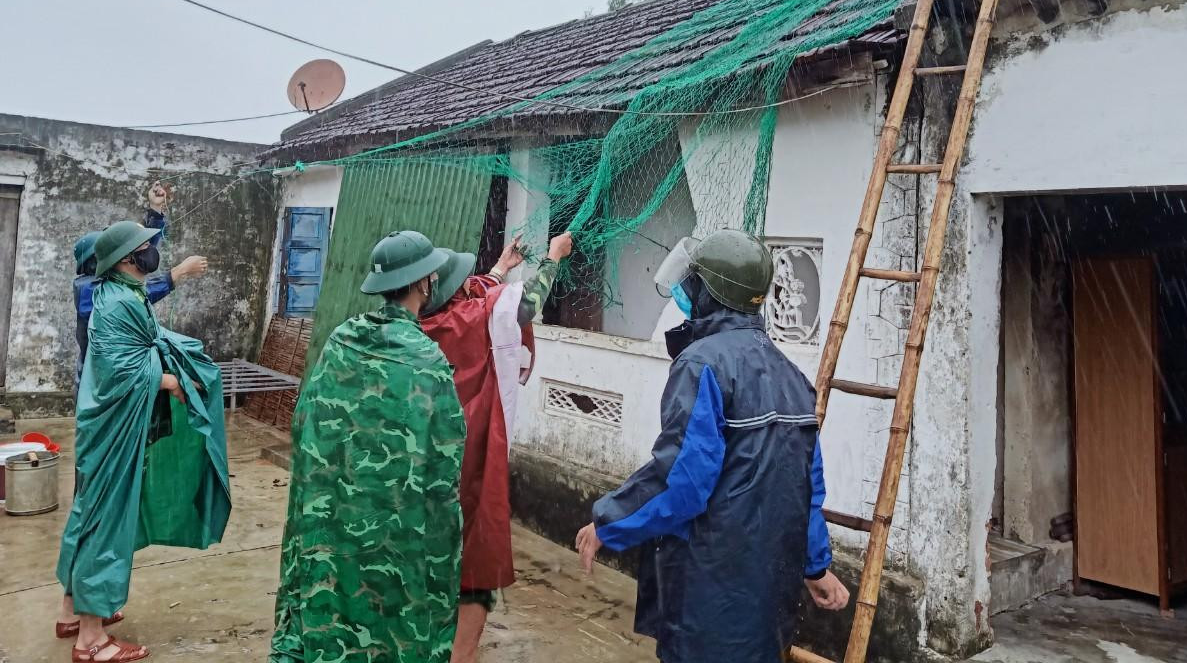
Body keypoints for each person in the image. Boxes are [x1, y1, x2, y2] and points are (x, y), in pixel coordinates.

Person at [574, 229, 849, 663]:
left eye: (693, 284)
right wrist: (815, 567)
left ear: (709, 294)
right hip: (768, 606)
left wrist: (608, 522)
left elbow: (682, 481)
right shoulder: (793, 378)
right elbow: (806, 492)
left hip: (710, 599)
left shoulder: (702, 365)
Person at [270, 230, 467, 663]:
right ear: (422, 283)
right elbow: (445, 466)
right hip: (397, 528)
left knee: (330, 600)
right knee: (392, 619)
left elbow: (304, 424)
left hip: (332, 515)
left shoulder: (342, 340)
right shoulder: (427, 361)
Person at [56, 220, 230, 663]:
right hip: (111, 430)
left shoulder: (121, 293)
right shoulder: (115, 302)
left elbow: (143, 344)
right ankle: (90, 641)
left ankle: (74, 612)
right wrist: (169, 378)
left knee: (88, 512)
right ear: (129, 259)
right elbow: (120, 371)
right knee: (103, 521)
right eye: (148, 247)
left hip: (108, 427)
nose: (154, 252)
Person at [421, 231, 574, 663]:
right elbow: (522, 306)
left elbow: (485, 298)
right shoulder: (466, 318)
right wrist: (552, 259)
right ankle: (461, 653)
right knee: (475, 548)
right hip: (472, 448)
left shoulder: (423, 322)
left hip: (428, 453)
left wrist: (502, 267)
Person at [72, 183, 208, 393]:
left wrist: (155, 210)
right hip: (100, 387)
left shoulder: (111, 282)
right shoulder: (94, 292)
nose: (143, 251)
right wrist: (177, 273)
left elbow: (136, 247)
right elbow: (136, 293)